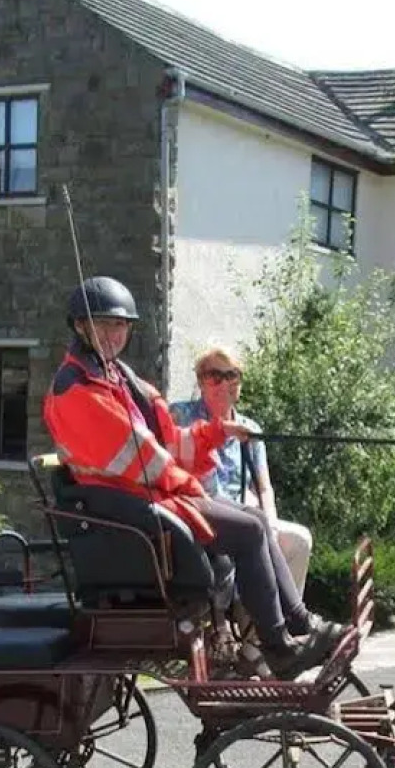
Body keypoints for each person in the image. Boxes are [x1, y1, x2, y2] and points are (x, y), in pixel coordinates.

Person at [42, 275, 344, 680]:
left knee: (254, 521)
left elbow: (168, 441)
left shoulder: (115, 377)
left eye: (121, 325)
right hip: (132, 511)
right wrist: (194, 487)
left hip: (147, 498)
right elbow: (146, 463)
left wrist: (217, 432)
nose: (114, 334)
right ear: (81, 326)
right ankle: (279, 646)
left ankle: (299, 623)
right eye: (104, 324)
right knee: (249, 530)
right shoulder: (77, 390)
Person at [169, 345, 313, 593]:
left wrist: (272, 524)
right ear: (201, 382)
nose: (224, 384)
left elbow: (264, 486)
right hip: (201, 518)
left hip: (248, 516)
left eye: (231, 375)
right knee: (250, 535)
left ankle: (274, 622)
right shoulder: (180, 416)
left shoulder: (249, 428)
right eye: (215, 376)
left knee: (299, 540)